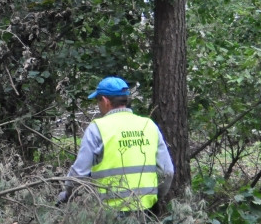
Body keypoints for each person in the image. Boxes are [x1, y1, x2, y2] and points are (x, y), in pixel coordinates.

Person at [58, 76, 175, 212]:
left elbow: (79, 173)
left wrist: (66, 195)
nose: (98, 104)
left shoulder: (97, 128)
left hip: (109, 211)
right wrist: (156, 196)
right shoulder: (149, 125)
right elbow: (167, 171)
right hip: (146, 208)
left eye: (98, 100)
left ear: (105, 101)